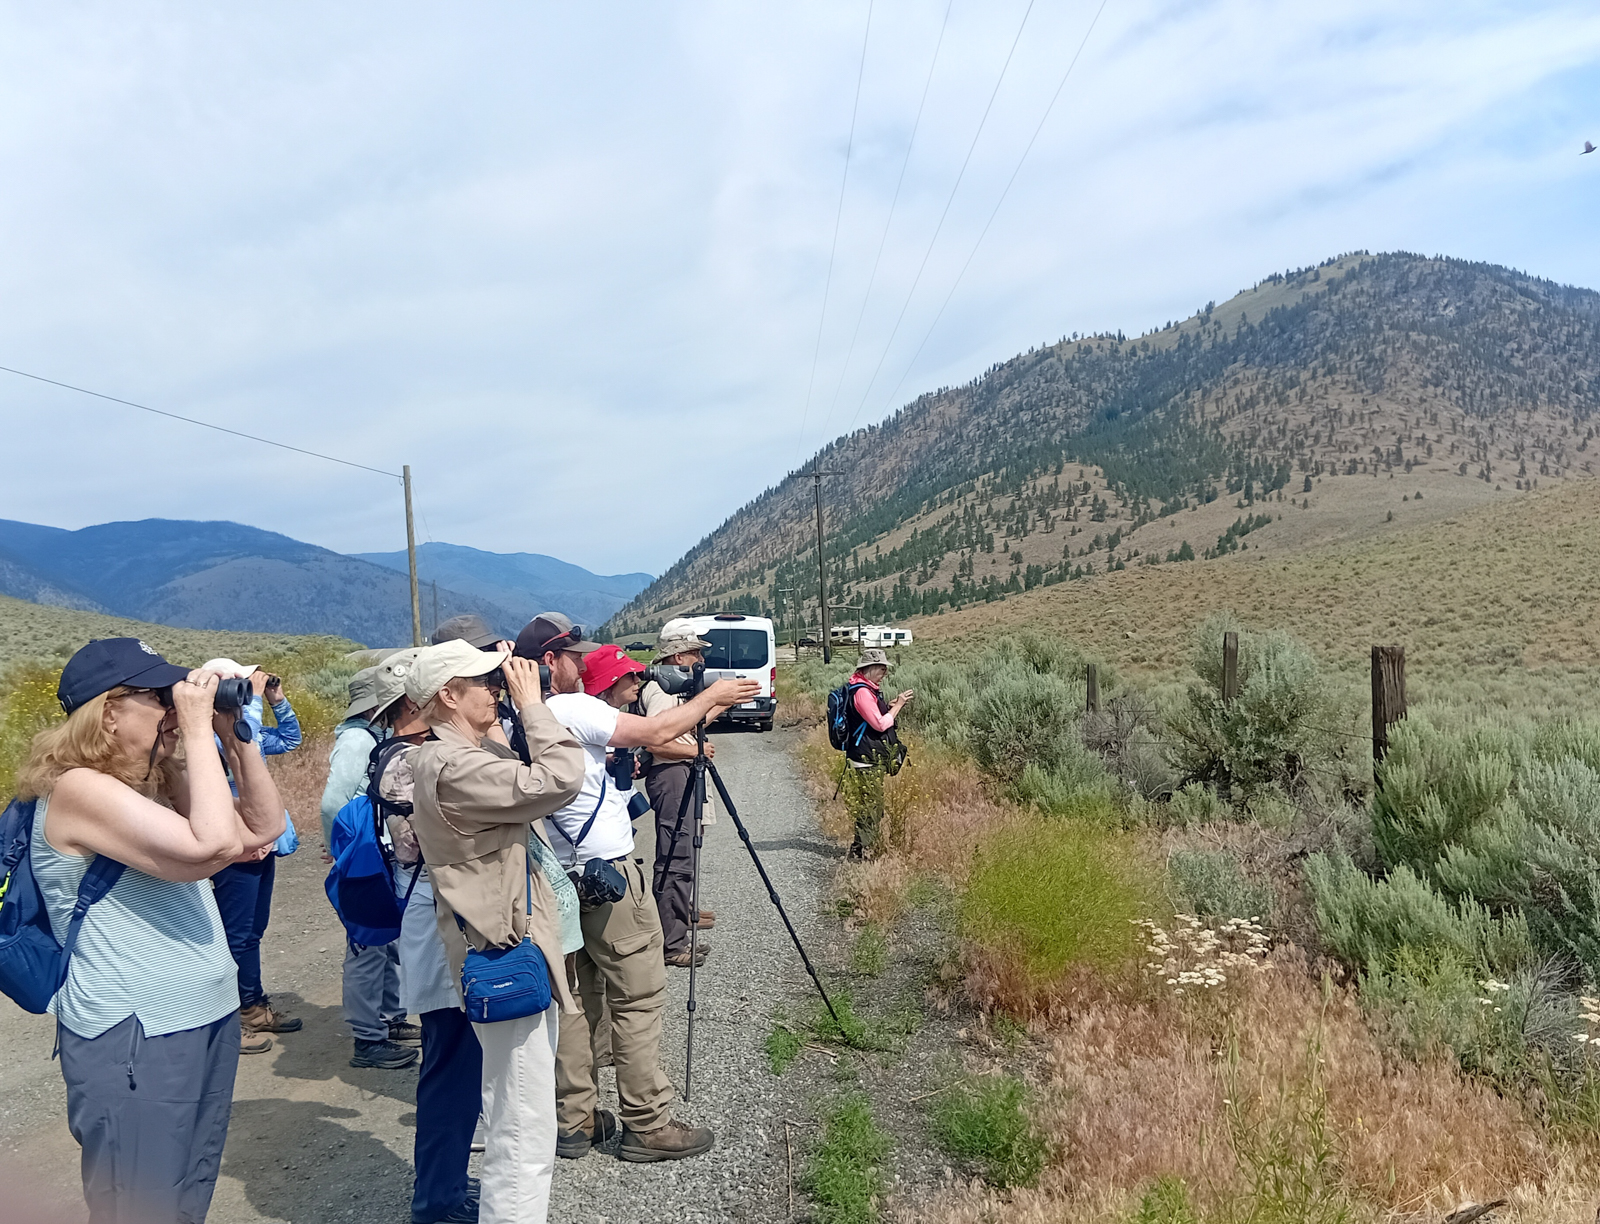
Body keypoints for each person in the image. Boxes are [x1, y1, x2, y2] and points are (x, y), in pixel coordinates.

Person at [17, 638, 285, 1224]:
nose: (173, 706)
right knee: (140, 1204)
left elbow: (262, 830)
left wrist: (235, 736)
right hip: (135, 1029)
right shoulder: (77, 787)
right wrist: (196, 732)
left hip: (205, 1014)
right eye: (159, 696)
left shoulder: (154, 779)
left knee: (186, 1191)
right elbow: (213, 843)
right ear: (108, 712)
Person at [515, 612, 759, 1163]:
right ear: (549, 661)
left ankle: (574, 1119)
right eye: (573, 656)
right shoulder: (569, 708)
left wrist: (704, 706)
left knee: (575, 1000)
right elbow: (652, 734)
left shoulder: (524, 720)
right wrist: (712, 696)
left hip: (559, 875)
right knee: (639, 996)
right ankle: (647, 1123)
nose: (582, 665)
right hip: (607, 874)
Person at [405, 640, 586, 1224]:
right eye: (483, 682)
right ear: (447, 695)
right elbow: (559, 778)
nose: (496, 689)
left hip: (501, 941)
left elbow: (511, 773)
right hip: (502, 948)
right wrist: (533, 706)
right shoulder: (455, 767)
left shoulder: (458, 753)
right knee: (523, 1123)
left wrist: (503, 710)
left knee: (517, 1108)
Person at [367, 649, 483, 1224]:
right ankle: (438, 1200)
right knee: (451, 1062)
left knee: (454, 1059)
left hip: (432, 909)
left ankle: (445, 1187)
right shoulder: (412, 762)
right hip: (436, 915)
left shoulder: (397, 755)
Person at [319, 663, 419, 1070]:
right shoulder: (359, 740)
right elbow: (333, 801)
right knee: (367, 944)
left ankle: (390, 1019)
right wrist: (338, 849)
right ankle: (368, 1038)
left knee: (386, 939)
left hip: (375, 853)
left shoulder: (369, 737)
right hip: (366, 855)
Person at [204, 658, 304, 1052]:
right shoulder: (212, 737)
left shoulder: (245, 729)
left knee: (253, 931)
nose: (249, 690)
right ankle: (233, 1016)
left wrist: (278, 700)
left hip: (261, 843)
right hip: (234, 846)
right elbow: (248, 744)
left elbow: (290, 740)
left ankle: (252, 1006)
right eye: (241, 684)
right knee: (237, 934)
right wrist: (256, 701)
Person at [634, 622, 719, 967]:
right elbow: (657, 741)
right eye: (695, 652)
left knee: (683, 851)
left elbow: (685, 727)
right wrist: (694, 752)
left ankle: (681, 918)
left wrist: (718, 704)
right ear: (678, 656)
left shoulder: (672, 687)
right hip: (671, 774)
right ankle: (672, 942)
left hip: (678, 773)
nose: (700, 659)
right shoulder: (660, 689)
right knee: (675, 856)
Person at [841, 647, 913, 860]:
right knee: (872, 807)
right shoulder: (862, 692)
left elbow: (870, 718)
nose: (885, 673)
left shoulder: (863, 689)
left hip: (866, 756)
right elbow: (880, 724)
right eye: (882, 669)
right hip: (866, 758)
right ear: (869, 669)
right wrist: (898, 706)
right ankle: (861, 852)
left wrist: (889, 706)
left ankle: (862, 848)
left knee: (870, 805)